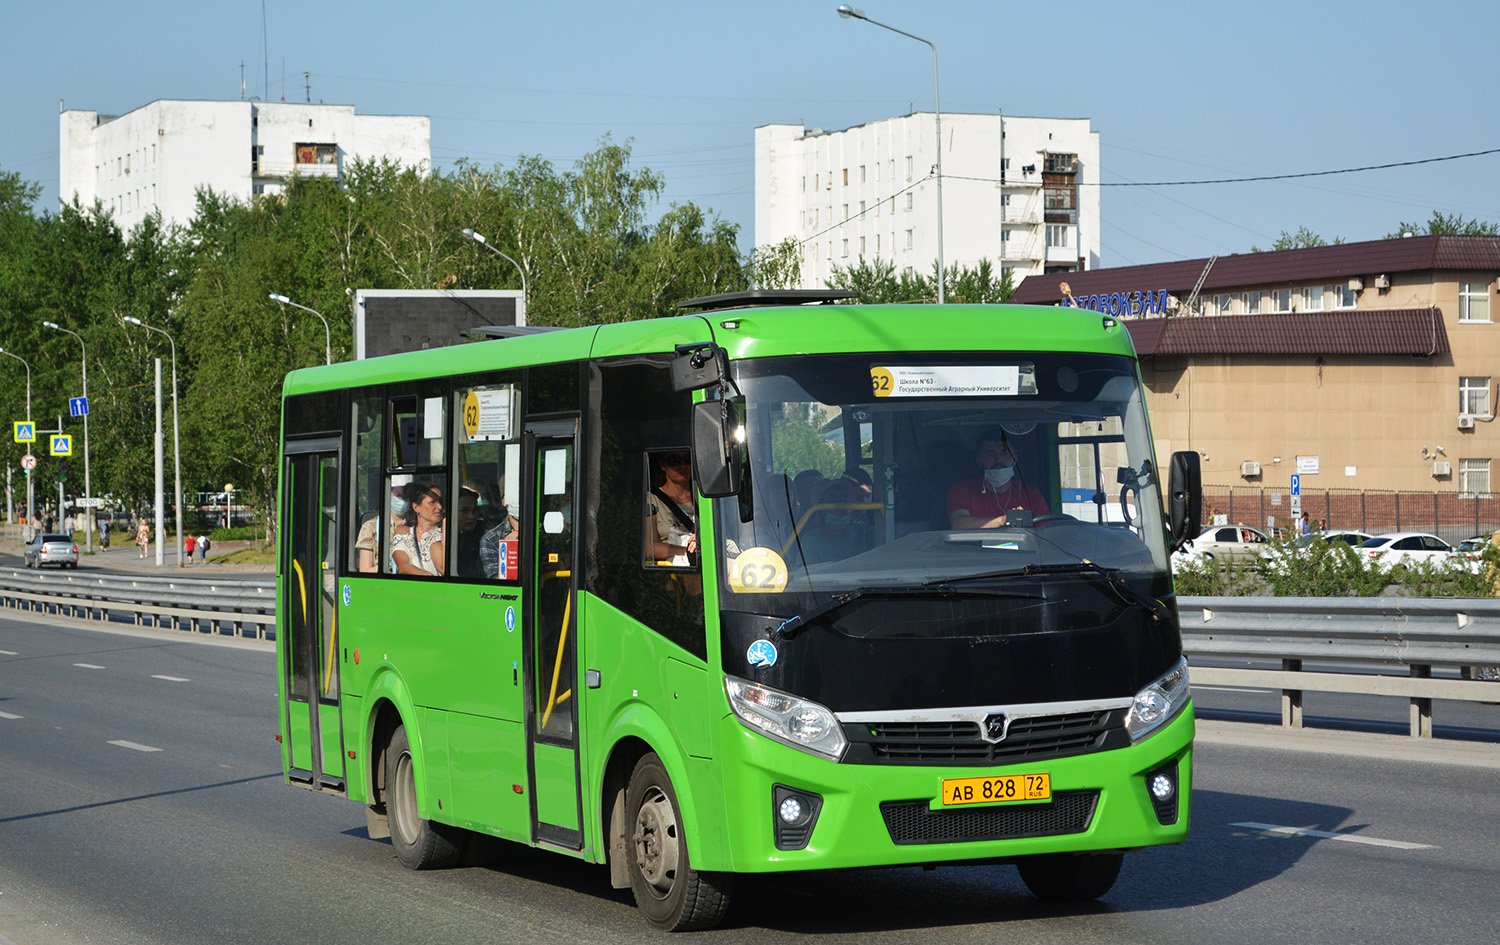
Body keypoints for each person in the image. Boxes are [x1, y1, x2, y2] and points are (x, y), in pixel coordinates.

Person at [947, 429, 1050, 529]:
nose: (998, 459)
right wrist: (1004, 520)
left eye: (1005, 453)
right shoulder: (963, 490)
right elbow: (958, 524)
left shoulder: (1031, 494)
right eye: (990, 454)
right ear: (979, 461)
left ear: (1015, 460)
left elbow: (1046, 532)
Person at [798, 478, 875, 563]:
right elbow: (808, 573)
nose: (840, 500)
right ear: (821, 507)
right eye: (832, 498)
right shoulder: (810, 540)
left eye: (844, 496)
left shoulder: (866, 533)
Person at [648, 450, 697, 565]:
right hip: (672, 575)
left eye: (687, 459)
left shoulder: (704, 498)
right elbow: (650, 548)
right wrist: (692, 552)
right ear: (662, 464)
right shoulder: (652, 499)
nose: (682, 465)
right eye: (674, 460)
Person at [391, 482, 445, 576]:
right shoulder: (404, 532)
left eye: (440, 502)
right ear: (416, 507)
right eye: (432, 502)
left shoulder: (445, 532)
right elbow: (403, 566)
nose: (439, 507)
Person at [453, 488, 487, 579]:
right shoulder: (442, 538)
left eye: (474, 510)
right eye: (464, 511)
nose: (471, 516)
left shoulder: (482, 535)